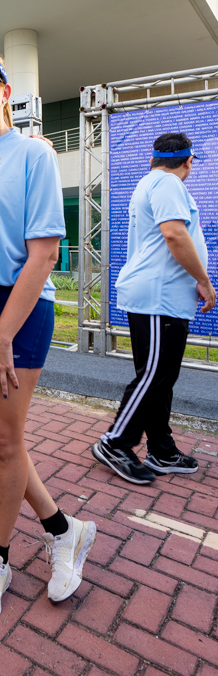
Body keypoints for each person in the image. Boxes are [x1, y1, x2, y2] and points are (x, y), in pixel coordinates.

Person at [0, 44, 96, 623]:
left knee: (4, 440)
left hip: (19, 306)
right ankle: (63, 528)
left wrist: (3, 336)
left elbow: (45, 253)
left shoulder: (33, 155)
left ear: (5, 89)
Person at [92, 133, 216, 484]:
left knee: (160, 377)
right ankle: (116, 442)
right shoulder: (167, 183)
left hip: (160, 298)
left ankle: (161, 448)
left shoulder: (152, 181)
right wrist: (204, 281)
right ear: (188, 162)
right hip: (159, 298)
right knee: (155, 375)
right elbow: (175, 234)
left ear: (154, 158)